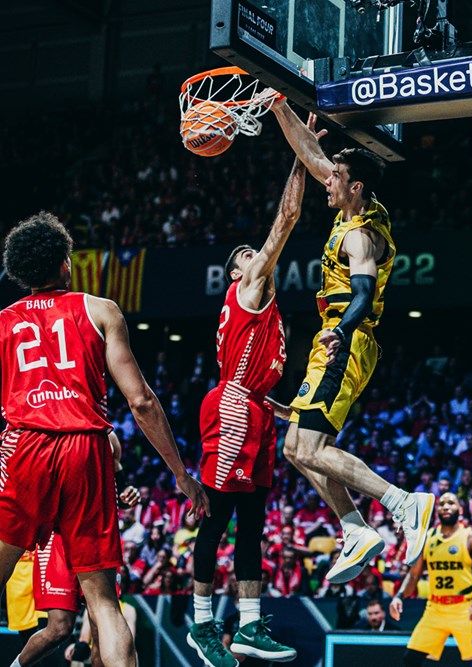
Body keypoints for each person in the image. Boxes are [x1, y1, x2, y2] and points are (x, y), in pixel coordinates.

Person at [0, 212, 208, 667]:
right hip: (85, 448)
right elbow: (142, 402)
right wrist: (180, 474)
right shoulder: (100, 310)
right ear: (64, 264)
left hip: (26, 446)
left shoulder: (3, 322)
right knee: (103, 604)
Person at [272, 103, 434, 584]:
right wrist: (279, 106)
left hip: (347, 340)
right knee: (295, 448)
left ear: (354, 187)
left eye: (335, 177)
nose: (328, 181)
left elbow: (362, 294)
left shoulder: (359, 237)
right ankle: (355, 528)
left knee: (314, 448)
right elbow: (311, 154)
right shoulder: (359, 202)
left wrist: (340, 333)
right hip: (335, 342)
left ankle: (403, 502)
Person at [188, 158, 308, 667]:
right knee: (215, 520)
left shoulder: (269, 310)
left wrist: (275, 404)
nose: (256, 256)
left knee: (253, 523)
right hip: (232, 405)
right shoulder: (250, 288)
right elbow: (286, 218)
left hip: (254, 406)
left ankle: (249, 623)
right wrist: (302, 157)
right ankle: (200, 623)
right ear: (238, 274)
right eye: (246, 256)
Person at [15, 432, 138, 667]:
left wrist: (124, 496)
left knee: (102, 621)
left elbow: (119, 484)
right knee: (59, 628)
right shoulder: (43, 428)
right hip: (58, 536)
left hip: (95, 535)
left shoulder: (107, 436)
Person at [389, 493, 472, 666]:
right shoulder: (426, 538)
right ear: (436, 509)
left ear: (460, 509)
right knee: (410, 659)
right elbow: (414, 574)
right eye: (442, 504)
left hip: (464, 609)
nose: (446, 507)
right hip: (435, 608)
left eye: (451, 503)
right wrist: (399, 596)